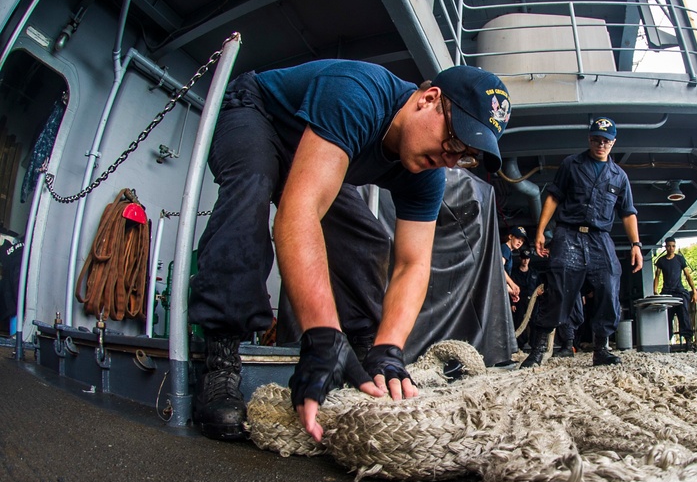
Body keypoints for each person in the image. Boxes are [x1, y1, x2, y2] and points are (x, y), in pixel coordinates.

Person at [187, 60, 511, 441]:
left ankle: (364, 355)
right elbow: (299, 211)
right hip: (259, 114)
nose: (451, 159)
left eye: (465, 155)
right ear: (429, 99)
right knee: (250, 193)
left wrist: (390, 348)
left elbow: (413, 263)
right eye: (454, 140)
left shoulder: (428, 172)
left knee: (364, 239)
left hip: (318, 151)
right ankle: (221, 358)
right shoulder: (359, 94)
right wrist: (321, 335)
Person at [520, 117, 642, 368]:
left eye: (606, 141)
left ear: (613, 143)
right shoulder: (571, 164)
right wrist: (541, 231)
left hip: (600, 237)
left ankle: (601, 348)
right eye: (597, 139)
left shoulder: (619, 176)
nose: (601, 144)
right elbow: (553, 197)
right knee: (559, 287)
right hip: (569, 234)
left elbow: (628, 212)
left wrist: (636, 245)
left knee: (609, 281)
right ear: (589, 139)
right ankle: (538, 350)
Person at [654, 237, 697, 350]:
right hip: (667, 293)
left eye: (673, 246)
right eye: (669, 246)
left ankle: (688, 342)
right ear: (665, 247)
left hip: (679, 292)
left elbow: (687, 275)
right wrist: (655, 291)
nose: (671, 248)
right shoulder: (661, 261)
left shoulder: (679, 259)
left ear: (675, 246)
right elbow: (657, 277)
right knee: (666, 318)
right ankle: (665, 342)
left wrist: (694, 290)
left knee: (684, 315)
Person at [510, 249, 539, 349]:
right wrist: (512, 304)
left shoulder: (534, 272)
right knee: (519, 322)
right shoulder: (514, 273)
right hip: (519, 300)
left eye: (527, 258)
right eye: (524, 258)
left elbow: (540, 287)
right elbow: (510, 289)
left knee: (534, 321)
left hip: (533, 300)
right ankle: (520, 344)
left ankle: (534, 344)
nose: (525, 261)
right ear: (520, 258)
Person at [501, 226, 527, 302]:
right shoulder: (505, 248)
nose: (520, 242)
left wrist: (510, 291)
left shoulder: (508, 251)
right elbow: (499, 269)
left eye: (522, 241)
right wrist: (512, 284)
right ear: (510, 236)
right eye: (518, 238)